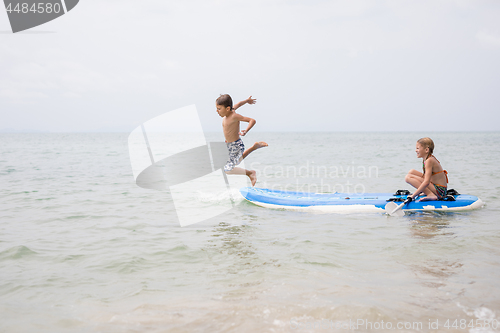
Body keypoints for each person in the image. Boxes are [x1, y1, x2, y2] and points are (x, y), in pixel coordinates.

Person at [215, 94, 268, 186]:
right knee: (236, 161)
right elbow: (239, 103)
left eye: (219, 109)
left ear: (227, 109)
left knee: (228, 170)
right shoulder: (230, 111)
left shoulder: (234, 116)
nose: (217, 111)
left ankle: (250, 173)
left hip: (236, 145)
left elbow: (252, 120)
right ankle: (254, 147)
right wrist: (247, 101)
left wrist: (245, 131)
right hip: (230, 145)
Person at [405, 137, 448, 202]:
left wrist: (413, 195)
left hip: (440, 191)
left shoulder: (429, 160)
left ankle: (430, 194)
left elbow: (426, 182)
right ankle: (428, 192)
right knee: (411, 172)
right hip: (436, 187)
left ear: (426, 150)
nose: (415, 150)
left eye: (417, 148)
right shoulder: (427, 158)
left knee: (408, 178)